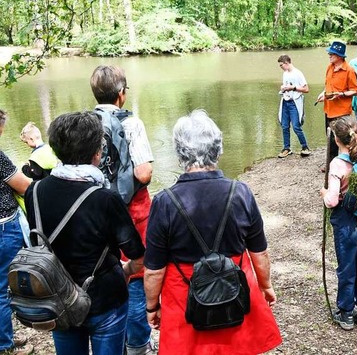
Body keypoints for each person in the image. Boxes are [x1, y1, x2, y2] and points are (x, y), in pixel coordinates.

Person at [144, 110, 281, 354]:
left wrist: (152, 306)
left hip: (184, 295)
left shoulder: (164, 202)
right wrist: (265, 285)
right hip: (232, 290)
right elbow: (259, 252)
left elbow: (155, 269)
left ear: (180, 153)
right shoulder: (241, 193)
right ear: (218, 150)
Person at [24, 111, 145, 355]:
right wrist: (125, 270)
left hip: (57, 295)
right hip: (105, 299)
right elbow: (138, 255)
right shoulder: (105, 198)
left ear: (55, 151)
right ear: (97, 154)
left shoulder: (34, 192)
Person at [90, 65, 156, 355]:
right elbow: (143, 174)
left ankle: (109, 341)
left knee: (105, 269)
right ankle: (138, 345)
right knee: (136, 275)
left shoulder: (85, 123)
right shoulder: (132, 124)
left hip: (94, 209)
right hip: (133, 211)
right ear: (121, 94)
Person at [321, 116, 357, 331]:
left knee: (346, 264)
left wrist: (324, 193)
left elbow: (333, 200)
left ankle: (346, 313)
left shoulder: (337, 163)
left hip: (345, 218)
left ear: (336, 140)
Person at [0, 110, 32, 355]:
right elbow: (23, 186)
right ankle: (5, 344)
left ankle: (5, 336)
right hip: (4, 227)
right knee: (2, 288)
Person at [316, 41, 357, 163]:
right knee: (330, 139)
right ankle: (332, 164)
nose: (329, 55)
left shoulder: (349, 71)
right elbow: (328, 86)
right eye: (329, 53)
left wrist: (341, 94)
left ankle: (351, 161)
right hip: (329, 110)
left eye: (332, 53)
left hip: (342, 112)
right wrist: (323, 94)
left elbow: (355, 91)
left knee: (344, 139)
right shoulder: (329, 67)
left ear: (340, 56)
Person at [277, 55, 311, 158]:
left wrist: (293, 88)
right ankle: (287, 148)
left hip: (294, 103)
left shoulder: (298, 73)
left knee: (296, 126)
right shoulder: (285, 74)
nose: (281, 67)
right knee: (284, 126)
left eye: (281, 65)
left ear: (286, 63)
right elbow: (286, 85)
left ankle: (305, 147)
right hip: (285, 101)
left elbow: (306, 89)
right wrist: (283, 88)